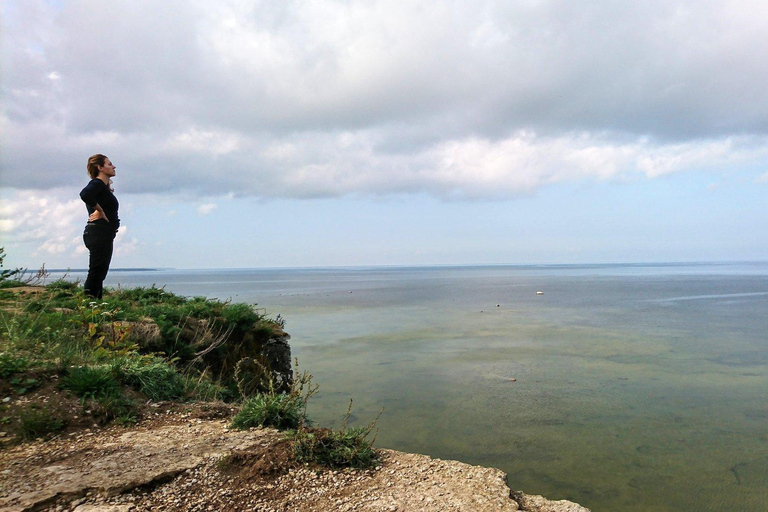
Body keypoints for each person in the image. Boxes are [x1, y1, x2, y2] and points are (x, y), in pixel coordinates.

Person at [80, 154, 120, 299]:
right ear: (100, 168)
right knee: (97, 272)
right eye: (109, 164)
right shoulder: (96, 184)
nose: (113, 166)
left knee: (100, 272)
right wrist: (100, 210)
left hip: (103, 233)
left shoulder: (102, 188)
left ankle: (95, 304)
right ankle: (90, 305)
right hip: (98, 233)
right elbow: (85, 194)